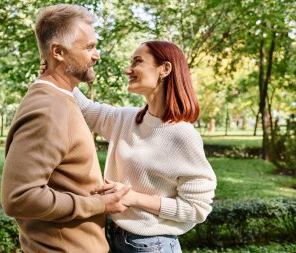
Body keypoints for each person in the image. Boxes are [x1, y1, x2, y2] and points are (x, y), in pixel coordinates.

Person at [1, 4, 130, 253]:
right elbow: (19, 198)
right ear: (58, 51)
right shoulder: (49, 110)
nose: (97, 55)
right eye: (89, 47)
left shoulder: (61, 98)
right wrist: (97, 204)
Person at [70, 41, 217, 252]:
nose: (128, 69)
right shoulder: (128, 119)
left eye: (137, 62)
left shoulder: (182, 135)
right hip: (118, 237)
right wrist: (57, 71)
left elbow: (196, 208)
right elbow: (85, 109)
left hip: (153, 245)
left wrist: (133, 197)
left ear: (165, 69)